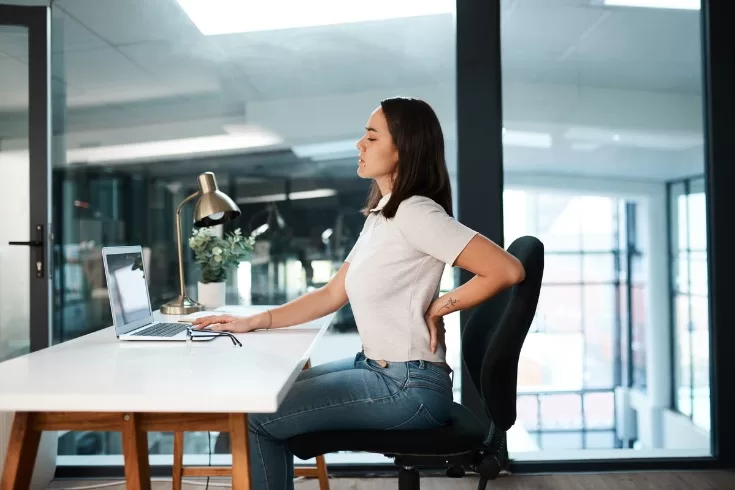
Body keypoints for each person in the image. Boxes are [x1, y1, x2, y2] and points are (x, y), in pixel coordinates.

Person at [192, 96, 526, 489]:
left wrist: (439, 308)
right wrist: (254, 321)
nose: (359, 145)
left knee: (256, 418)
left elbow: (507, 269)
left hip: (407, 386)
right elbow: (332, 294)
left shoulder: (417, 212)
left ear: (404, 149)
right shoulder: (383, 214)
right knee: (270, 391)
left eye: (371, 137)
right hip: (379, 368)